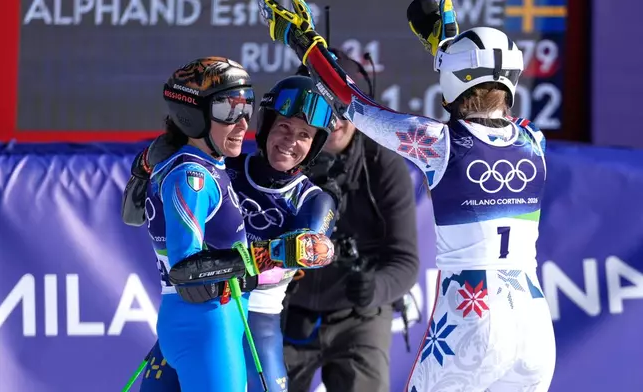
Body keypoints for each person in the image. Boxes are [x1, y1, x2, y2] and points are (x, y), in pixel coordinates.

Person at [259, 1, 557, 391]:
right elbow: (477, 92)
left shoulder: (439, 145)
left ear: (453, 83)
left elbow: (351, 103)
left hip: (474, 317)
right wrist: (445, 40)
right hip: (534, 324)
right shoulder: (533, 139)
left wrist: (302, 41)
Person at [122, 74, 338, 392]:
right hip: (198, 309)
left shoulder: (314, 200)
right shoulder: (222, 168)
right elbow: (133, 215)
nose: (291, 141)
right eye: (284, 127)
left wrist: (248, 260)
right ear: (265, 127)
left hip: (255, 322)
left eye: (304, 135)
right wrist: (144, 168)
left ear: (314, 146)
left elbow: (292, 263)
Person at [280, 47, 420, 392]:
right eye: (328, 109)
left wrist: (376, 288)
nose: (339, 120)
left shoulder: (383, 164)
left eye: (348, 108)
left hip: (359, 316)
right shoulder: (279, 157)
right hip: (285, 312)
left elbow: (405, 260)